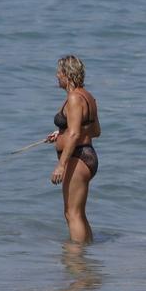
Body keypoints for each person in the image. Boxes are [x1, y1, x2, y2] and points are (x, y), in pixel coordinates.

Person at [46, 54, 101, 243]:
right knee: (79, 214)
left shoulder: (75, 98)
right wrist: (62, 133)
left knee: (72, 214)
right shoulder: (88, 97)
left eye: (59, 72)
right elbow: (95, 130)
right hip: (87, 156)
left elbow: (76, 134)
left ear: (67, 75)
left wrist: (61, 165)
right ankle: (87, 254)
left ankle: (77, 259)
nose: (56, 76)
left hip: (77, 158)